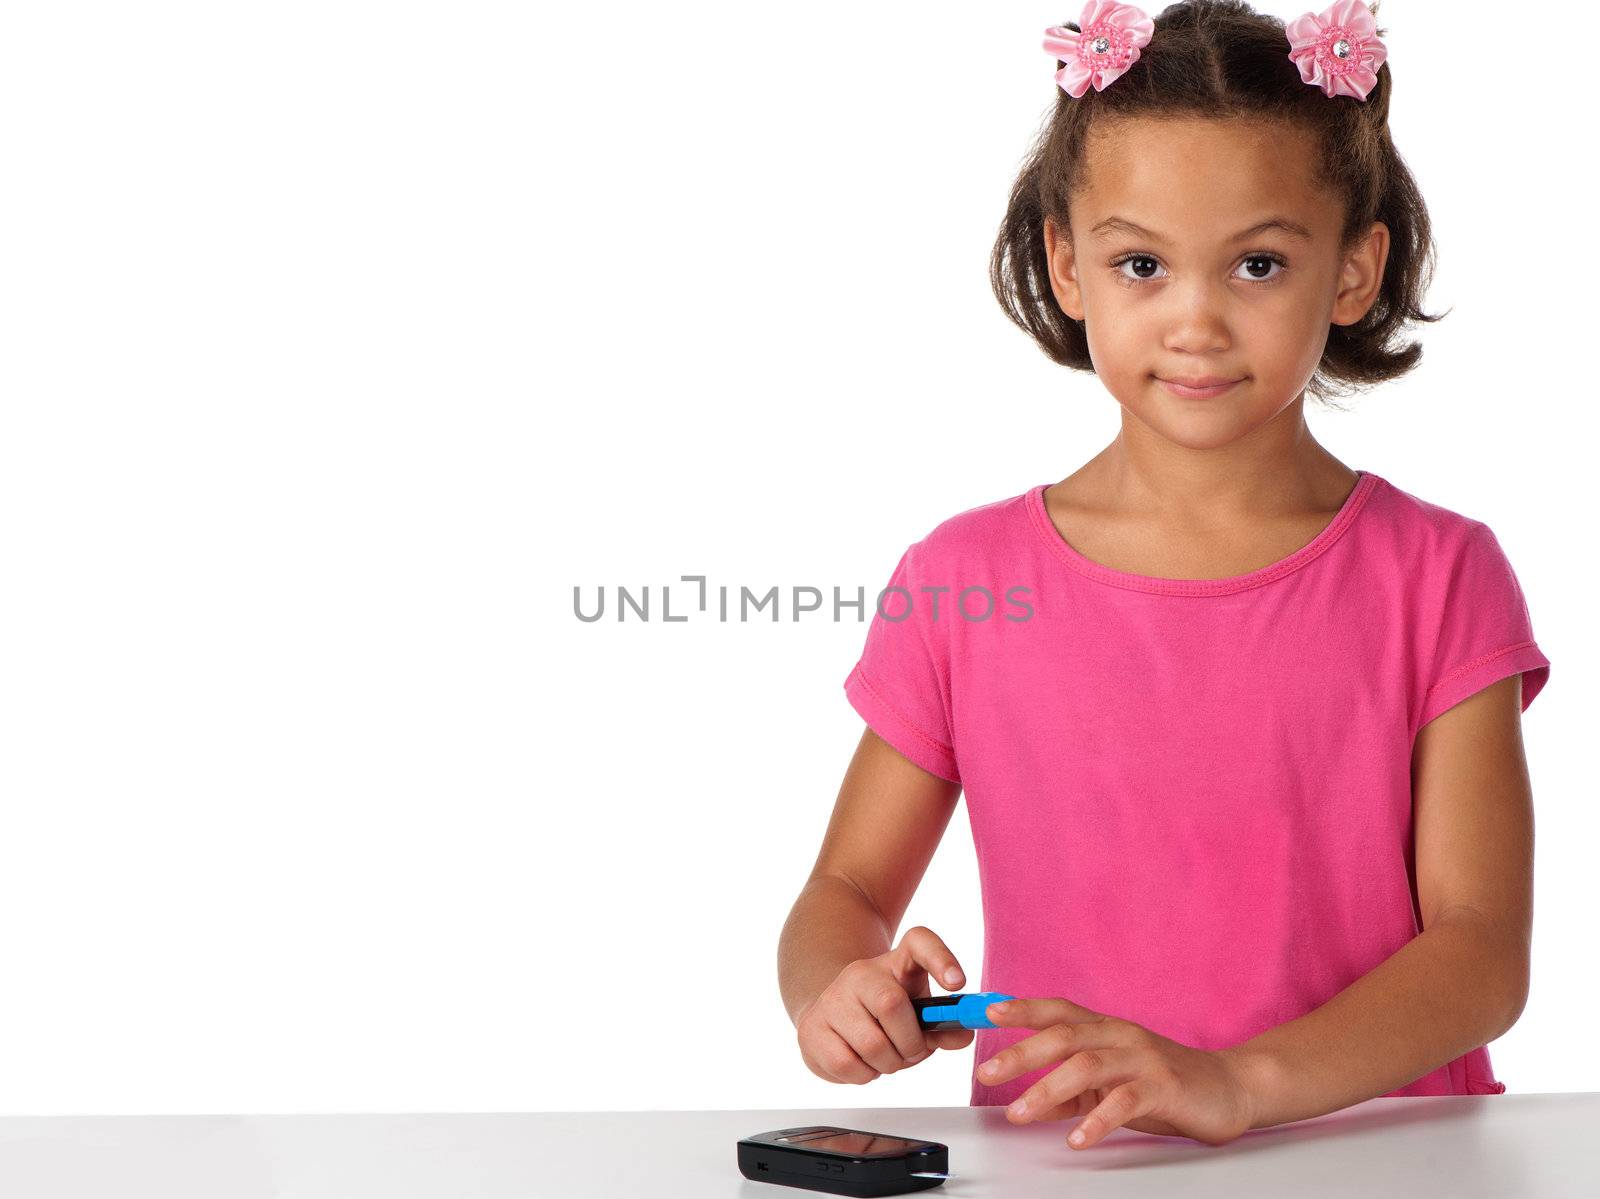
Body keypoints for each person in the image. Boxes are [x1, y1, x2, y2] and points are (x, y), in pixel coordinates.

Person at [776, 0, 1552, 1150]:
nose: (1194, 320)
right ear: (1066, 265)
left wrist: (1237, 1080)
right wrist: (839, 989)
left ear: (1351, 270)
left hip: (1386, 1159)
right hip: (1071, 1164)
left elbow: (1481, 950)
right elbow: (841, 890)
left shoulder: (1438, 575)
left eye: (1256, 263)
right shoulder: (961, 580)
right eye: (1141, 262)